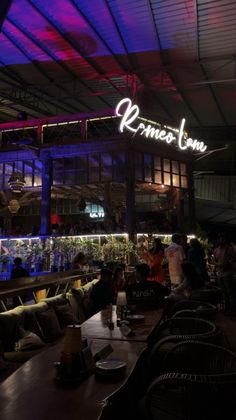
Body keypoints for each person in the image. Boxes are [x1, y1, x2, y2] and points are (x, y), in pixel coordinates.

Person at [213, 233, 236, 314]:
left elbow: (234, 258)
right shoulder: (216, 250)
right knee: (224, 292)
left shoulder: (229, 249)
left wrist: (228, 263)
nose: (221, 240)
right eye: (220, 238)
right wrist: (216, 264)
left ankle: (233, 309)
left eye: (223, 238)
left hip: (228, 273)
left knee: (230, 292)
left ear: (225, 240)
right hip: (220, 274)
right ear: (218, 240)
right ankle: (227, 308)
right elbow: (214, 260)